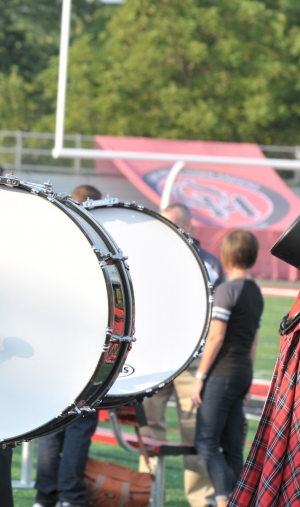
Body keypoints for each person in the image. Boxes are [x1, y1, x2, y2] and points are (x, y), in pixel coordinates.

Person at [138, 202, 220, 507]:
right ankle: (144, 493)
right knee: (149, 429)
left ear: (190, 226)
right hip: (157, 359)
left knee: (194, 430)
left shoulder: (208, 263)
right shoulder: (151, 259)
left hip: (191, 360)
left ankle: (201, 500)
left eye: (174, 223)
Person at [33, 184, 103, 507]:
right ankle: (70, 496)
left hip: (51, 350)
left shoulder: (54, 244)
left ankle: (45, 496)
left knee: (52, 426)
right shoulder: (97, 249)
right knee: (79, 426)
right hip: (83, 350)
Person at [191, 230, 261, 507]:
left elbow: (216, 337)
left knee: (206, 442)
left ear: (227, 255)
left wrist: (200, 377)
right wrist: (248, 379)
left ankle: (223, 501)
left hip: (221, 375)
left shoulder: (226, 290)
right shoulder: (256, 291)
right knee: (233, 446)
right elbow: (254, 342)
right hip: (242, 371)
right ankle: (239, 501)